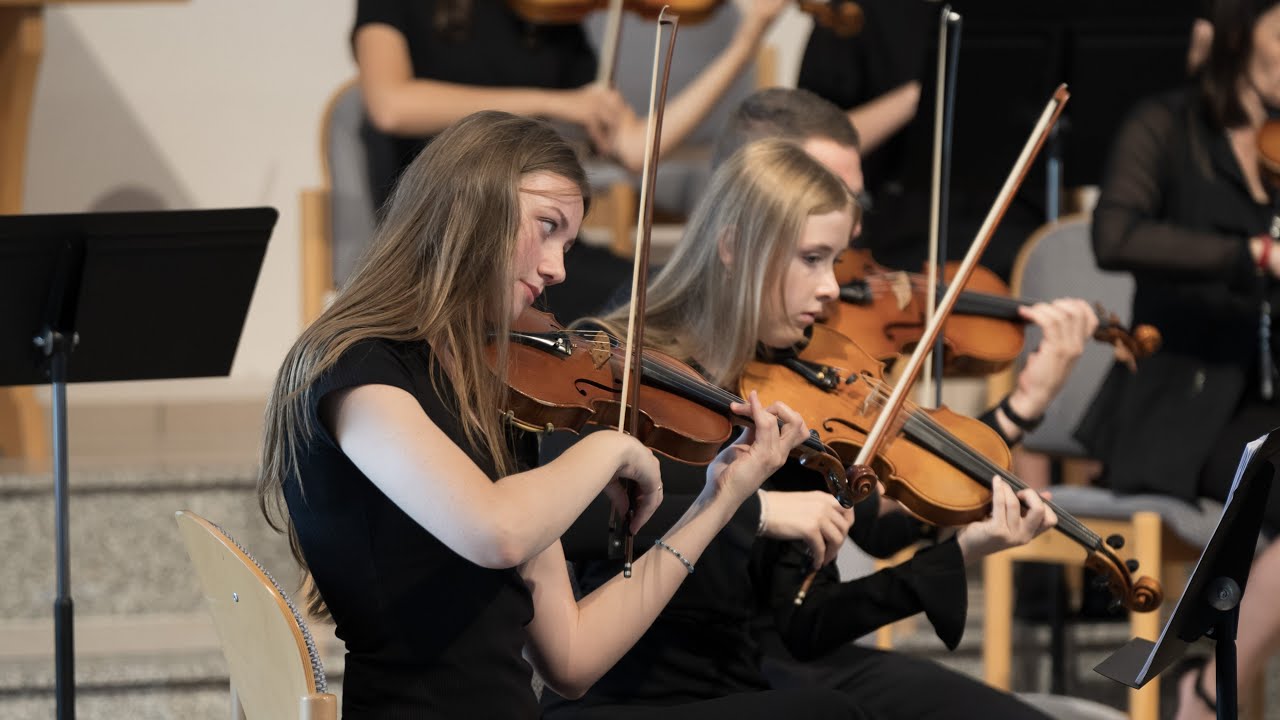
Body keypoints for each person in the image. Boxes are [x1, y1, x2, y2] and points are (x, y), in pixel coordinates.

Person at [255, 110, 853, 718]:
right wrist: (611, 447)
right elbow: (495, 530)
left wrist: (718, 501)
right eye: (546, 227)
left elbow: (571, 660)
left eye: (567, 243)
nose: (558, 269)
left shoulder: (493, 392)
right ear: (472, 204)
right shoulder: (356, 372)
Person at [542, 137, 1060, 720]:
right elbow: (570, 518)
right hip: (630, 696)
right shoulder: (619, 364)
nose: (833, 288)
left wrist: (967, 549)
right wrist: (757, 510)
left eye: (835, 262)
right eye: (813, 259)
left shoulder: (786, 399)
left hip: (747, 687)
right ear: (735, 247)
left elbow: (805, 623)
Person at [1076, 1, 1280, 717]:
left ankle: (1206, 685)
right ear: (1239, 31)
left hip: (1264, 401)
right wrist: (1251, 254)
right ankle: (1201, 695)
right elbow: (1115, 234)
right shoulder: (1165, 125)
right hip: (1180, 406)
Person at [352, 0, 785, 213]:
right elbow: (390, 105)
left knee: (644, 308)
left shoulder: (551, 23)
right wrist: (551, 103)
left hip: (531, 232)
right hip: (433, 225)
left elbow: (637, 148)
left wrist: (746, 41)